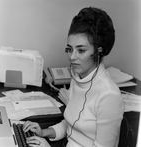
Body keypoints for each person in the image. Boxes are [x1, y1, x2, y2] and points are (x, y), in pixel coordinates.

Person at [23, 6, 124, 147]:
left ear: (99, 52)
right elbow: (72, 124)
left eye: (81, 50)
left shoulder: (109, 95)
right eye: (69, 49)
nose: (72, 57)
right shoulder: (77, 78)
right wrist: (43, 132)